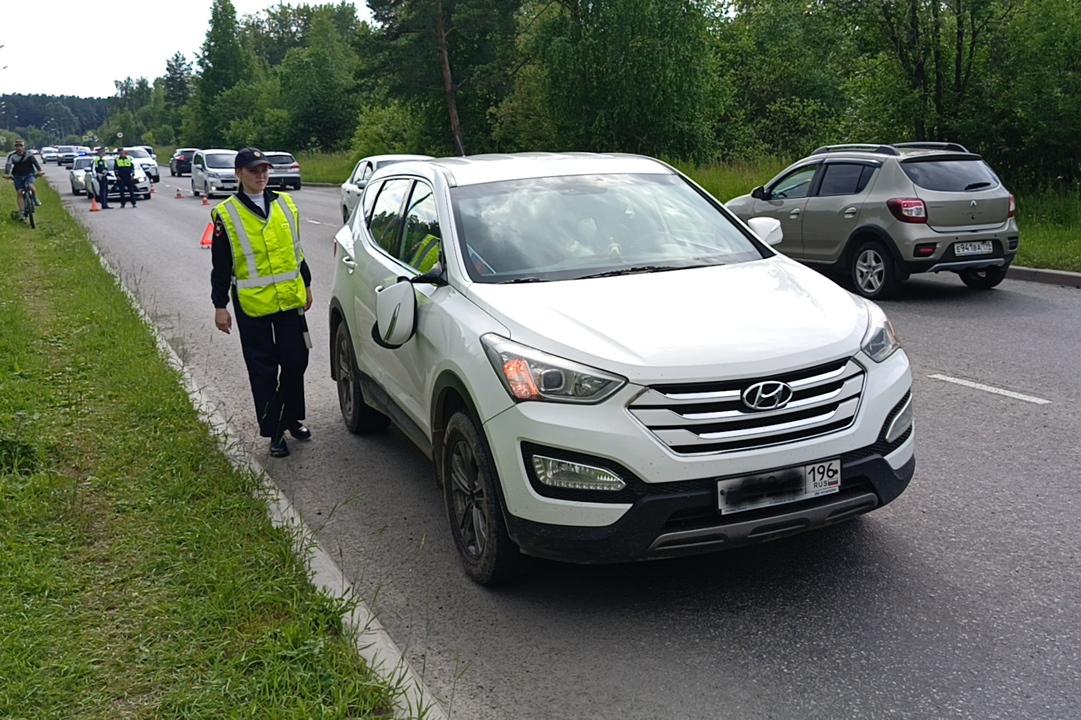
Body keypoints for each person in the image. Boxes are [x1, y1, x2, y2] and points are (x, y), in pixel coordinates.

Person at [210, 148, 313, 458]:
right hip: (252, 305)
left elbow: (296, 251)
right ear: (239, 174)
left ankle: (293, 417)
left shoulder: (286, 204)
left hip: (289, 301)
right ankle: (276, 432)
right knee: (264, 371)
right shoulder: (226, 215)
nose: (261, 175)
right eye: (254, 170)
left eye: (265, 169)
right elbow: (222, 265)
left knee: (296, 362)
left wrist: (307, 284)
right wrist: (220, 305)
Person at [3, 139, 45, 216]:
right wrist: (7, 174)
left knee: (30, 186)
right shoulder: (12, 156)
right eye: (17, 146)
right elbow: (8, 166)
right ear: (15, 147)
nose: (19, 148)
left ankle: (35, 199)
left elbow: (36, 164)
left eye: (20, 146)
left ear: (24, 147)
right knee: (19, 193)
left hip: (29, 174)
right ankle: (21, 211)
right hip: (17, 176)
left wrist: (40, 171)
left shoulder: (29, 155)